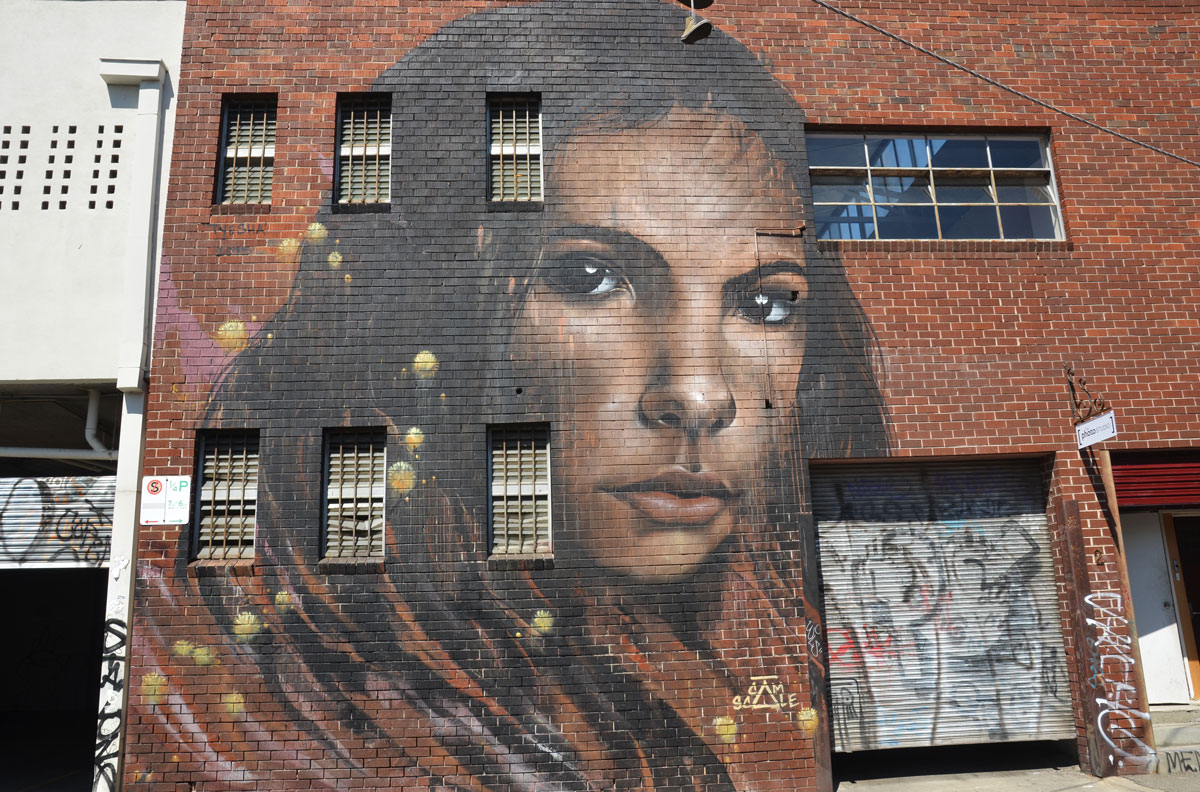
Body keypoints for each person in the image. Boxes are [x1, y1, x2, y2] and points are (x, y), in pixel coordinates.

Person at [128, 2, 888, 790]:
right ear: (438, 292)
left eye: (764, 303)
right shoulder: (271, 693)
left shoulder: (774, 620)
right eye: (592, 278)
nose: (698, 393)